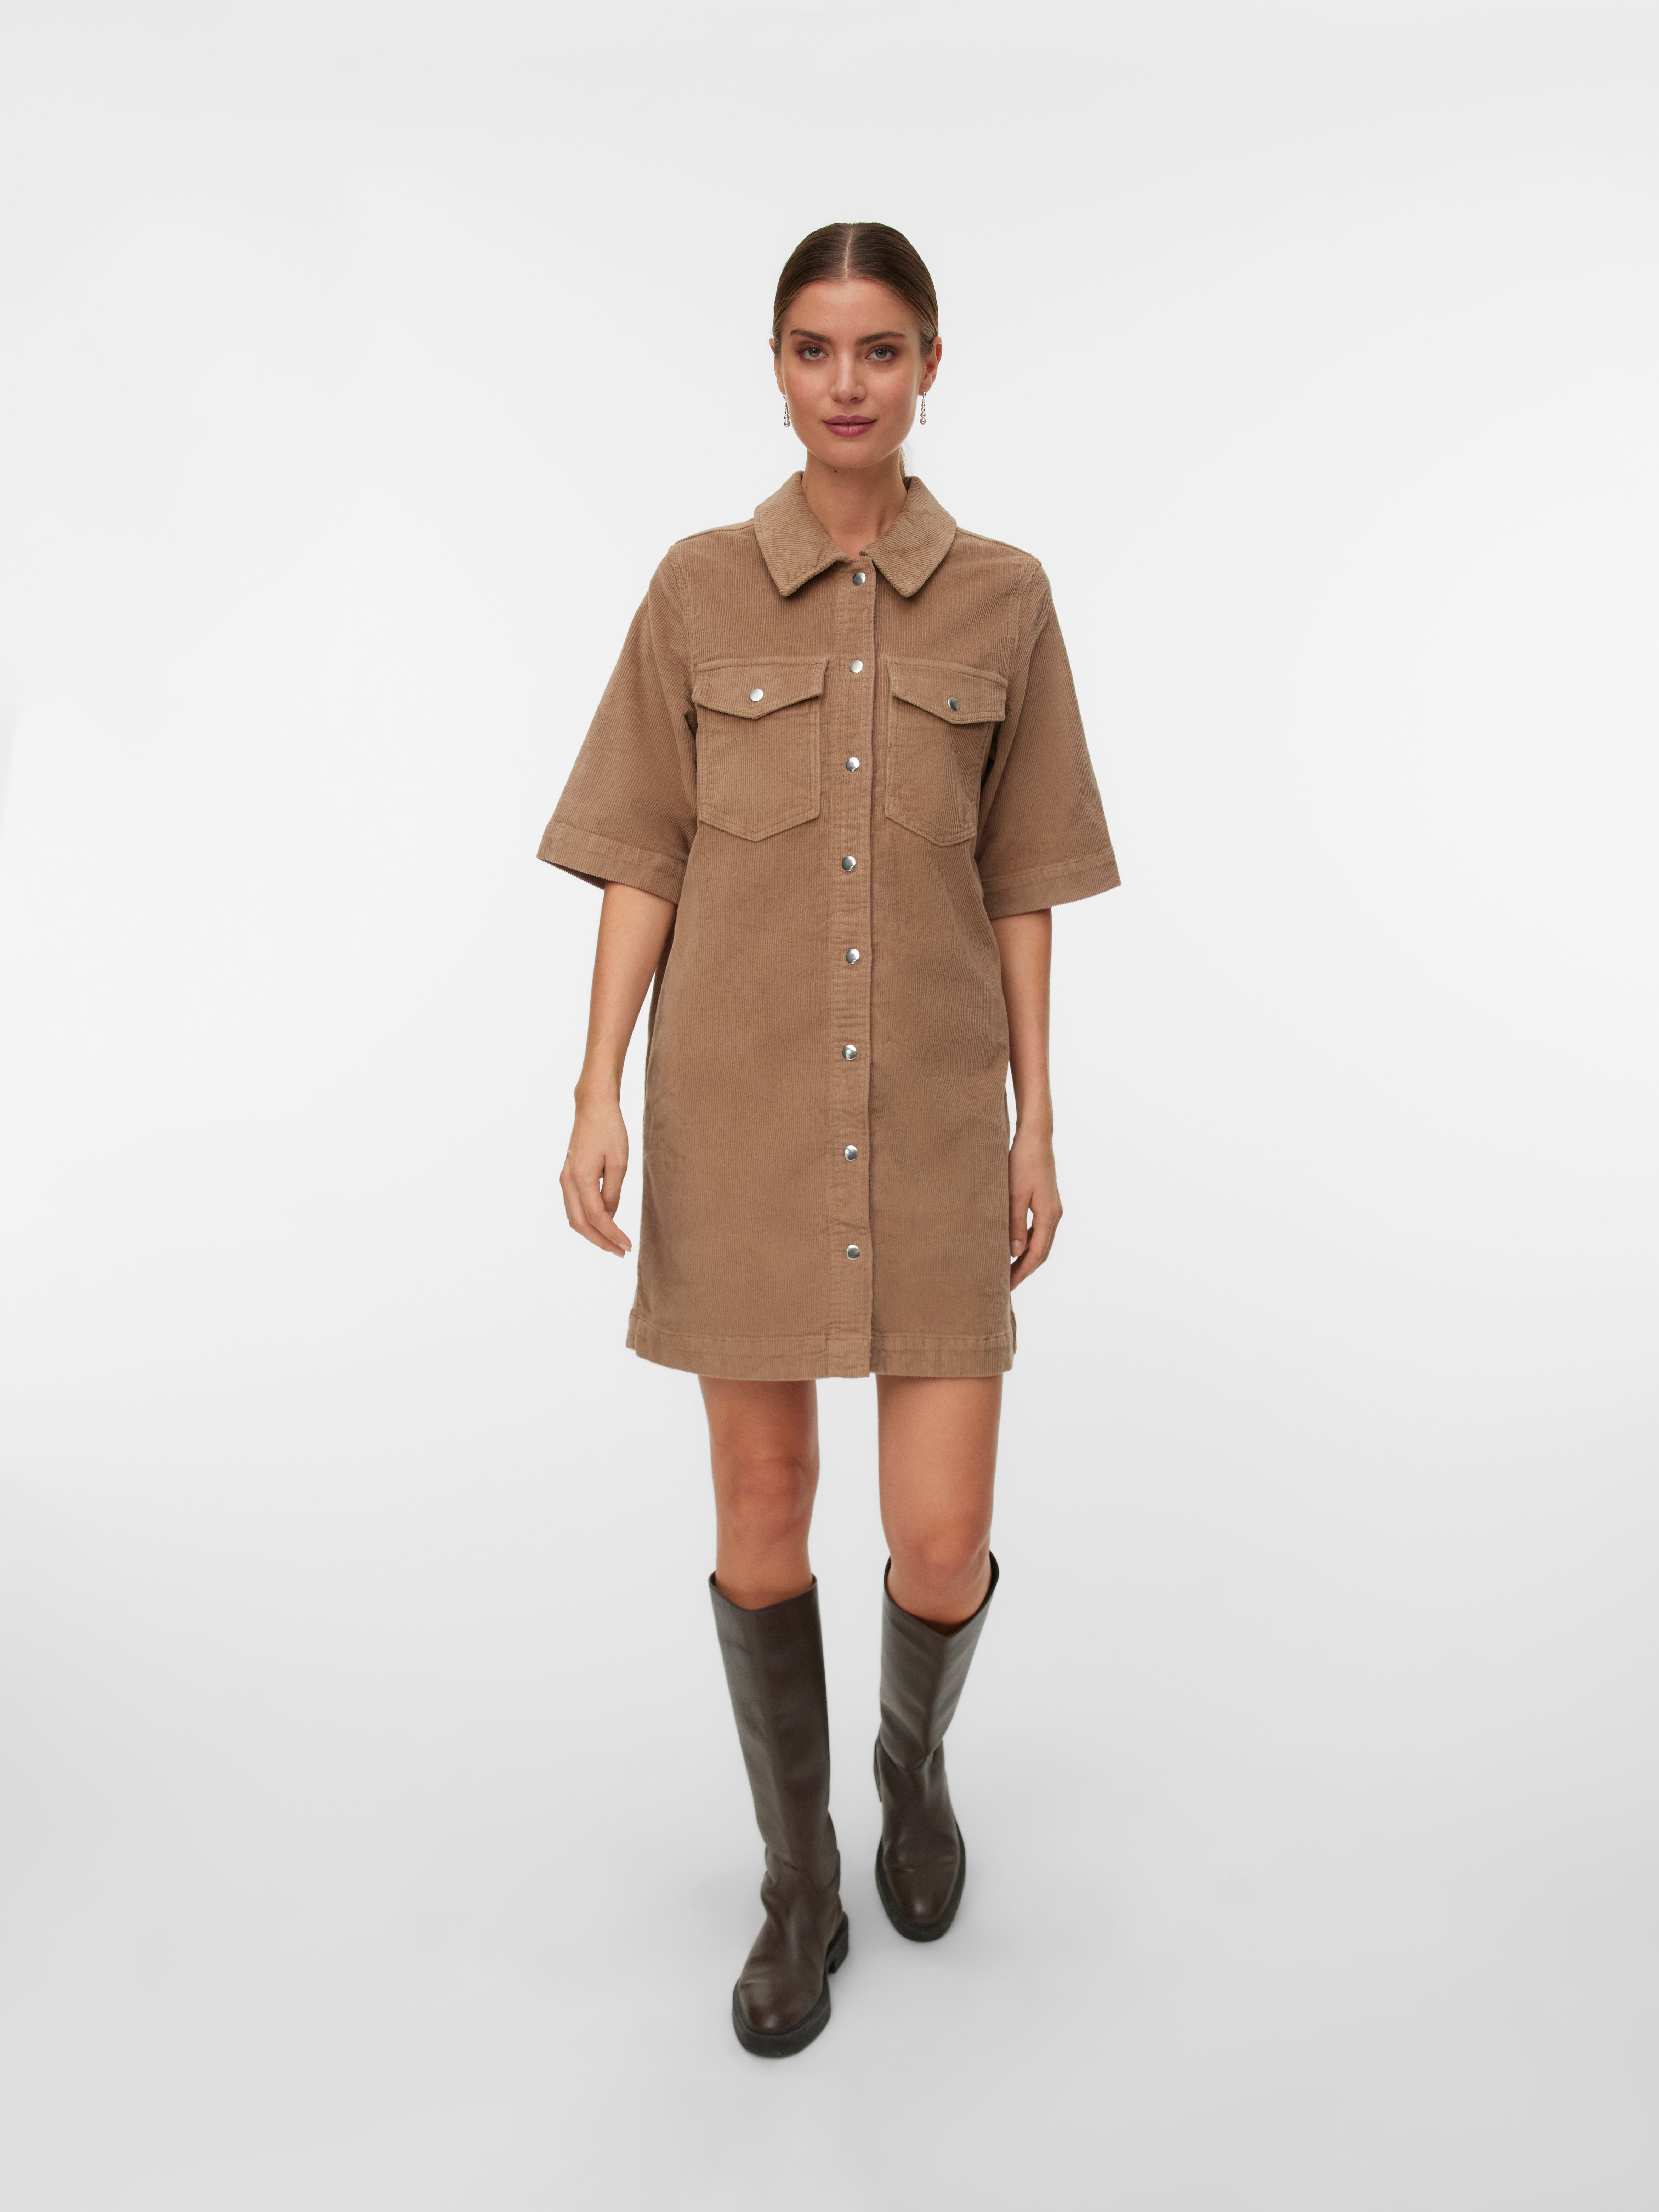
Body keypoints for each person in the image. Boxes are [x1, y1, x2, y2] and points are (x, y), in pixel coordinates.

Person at [539, 222, 1118, 2057]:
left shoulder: (1007, 600)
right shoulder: (698, 590)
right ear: (777, 368)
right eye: (814, 348)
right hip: (746, 1108)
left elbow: (1027, 881)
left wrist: (1038, 1117)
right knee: (764, 1505)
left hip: (935, 1123)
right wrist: (595, 1082)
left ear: (931, 365)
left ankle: (908, 1766)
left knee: (942, 1534)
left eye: (880, 348)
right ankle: (801, 1881)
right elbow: (645, 849)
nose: (847, 382)